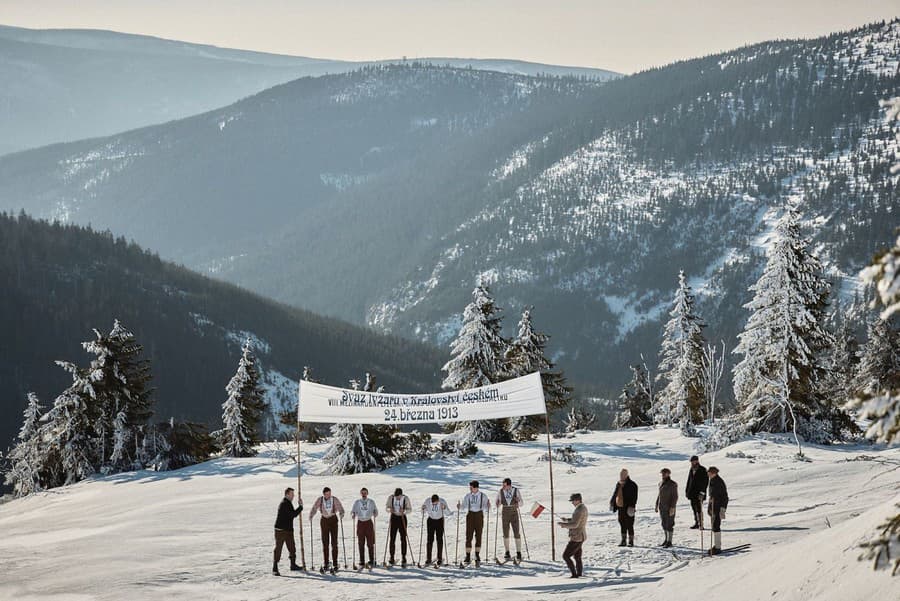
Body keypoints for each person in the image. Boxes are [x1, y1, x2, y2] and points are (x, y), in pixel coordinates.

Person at [310, 486, 345, 573]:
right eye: (327, 494)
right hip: (324, 520)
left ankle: (335, 563)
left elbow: (340, 508)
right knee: (325, 542)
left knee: (334, 542)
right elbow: (314, 508)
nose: (329, 495)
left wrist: (341, 513)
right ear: (324, 494)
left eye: (330, 493)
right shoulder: (320, 500)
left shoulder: (334, 499)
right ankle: (326, 563)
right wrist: (311, 515)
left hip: (333, 519)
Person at [457, 480, 491, 565]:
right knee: (469, 535)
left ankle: (477, 555)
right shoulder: (468, 496)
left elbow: (486, 507)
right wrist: (459, 506)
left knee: (478, 535)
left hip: (479, 515)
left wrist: (488, 506)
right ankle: (468, 556)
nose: (470, 489)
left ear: (476, 488)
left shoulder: (483, 496)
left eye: (471, 487)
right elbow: (463, 506)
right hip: (470, 515)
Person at [272, 487, 303, 576]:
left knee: (292, 547)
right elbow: (293, 515)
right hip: (280, 530)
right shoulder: (284, 503)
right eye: (292, 494)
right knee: (278, 548)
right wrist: (300, 507)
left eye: (293, 494)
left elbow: (292, 514)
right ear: (287, 494)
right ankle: (275, 567)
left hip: (288, 530)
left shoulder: (288, 503)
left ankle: (293, 565)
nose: (293, 496)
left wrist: (299, 507)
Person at [558, 492, 588, 578]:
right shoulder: (582, 508)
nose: (572, 503)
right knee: (577, 556)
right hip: (581, 536)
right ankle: (579, 573)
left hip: (577, 537)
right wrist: (567, 520)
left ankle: (574, 575)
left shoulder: (579, 510)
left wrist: (563, 525)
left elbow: (575, 524)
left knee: (566, 556)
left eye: (573, 501)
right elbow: (576, 520)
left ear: (578, 500)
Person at [495, 477, 524, 561]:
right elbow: (497, 503)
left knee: (516, 532)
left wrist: (518, 501)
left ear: (509, 485)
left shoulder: (516, 490)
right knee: (505, 532)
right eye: (502, 485)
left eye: (504, 485)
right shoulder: (500, 491)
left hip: (514, 512)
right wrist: (498, 503)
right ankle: (507, 552)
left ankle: (518, 552)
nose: (503, 487)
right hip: (505, 512)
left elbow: (522, 503)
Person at [609, 468, 638, 547]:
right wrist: (612, 502)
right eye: (621, 474)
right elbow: (615, 493)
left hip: (629, 507)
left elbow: (635, 497)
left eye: (623, 474)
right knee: (622, 523)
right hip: (620, 507)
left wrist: (632, 506)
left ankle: (631, 541)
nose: (621, 476)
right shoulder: (618, 483)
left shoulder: (632, 484)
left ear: (627, 475)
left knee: (629, 524)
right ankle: (623, 540)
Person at [351, 487, 378, 569]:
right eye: (362, 493)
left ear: (367, 493)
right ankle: (362, 560)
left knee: (370, 542)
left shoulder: (371, 502)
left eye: (365, 493)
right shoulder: (357, 502)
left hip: (368, 522)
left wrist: (375, 513)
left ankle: (372, 559)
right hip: (360, 523)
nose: (364, 494)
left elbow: (376, 511)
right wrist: (353, 514)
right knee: (360, 542)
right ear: (360, 493)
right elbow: (353, 511)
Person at [385, 487, 412, 566]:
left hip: (402, 518)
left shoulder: (405, 498)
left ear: (401, 494)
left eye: (398, 496)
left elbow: (410, 509)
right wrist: (390, 510)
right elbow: (387, 507)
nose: (396, 498)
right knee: (392, 538)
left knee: (403, 538)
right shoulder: (391, 497)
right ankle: (391, 557)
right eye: (396, 496)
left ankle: (404, 557)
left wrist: (404, 511)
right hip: (394, 518)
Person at [422, 493, 450, 566]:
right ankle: (428, 558)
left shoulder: (442, 501)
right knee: (430, 540)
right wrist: (423, 508)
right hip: (431, 520)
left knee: (439, 539)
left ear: (438, 500)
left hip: (439, 521)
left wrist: (444, 508)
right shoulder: (428, 501)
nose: (434, 504)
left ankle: (439, 558)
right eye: (433, 503)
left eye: (436, 503)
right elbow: (422, 511)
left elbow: (448, 513)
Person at [707, 466, 729, 555]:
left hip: (718, 507)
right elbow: (712, 496)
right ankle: (716, 545)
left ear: (714, 473)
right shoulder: (712, 481)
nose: (708, 474)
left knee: (716, 525)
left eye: (710, 473)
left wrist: (723, 509)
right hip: (713, 507)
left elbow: (725, 497)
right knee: (713, 526)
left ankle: (718, 547)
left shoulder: (719, 482)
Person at [654, 468, 679, 548]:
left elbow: (675, 496)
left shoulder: (672, 484)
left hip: (669, 507)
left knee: (669, 524)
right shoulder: (661, 483)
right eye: (662, 473)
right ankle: (666, 539)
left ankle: (669, 541)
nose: (663, 475)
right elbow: (659, 495)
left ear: (669, 474)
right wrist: (656, 504)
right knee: (664, 523)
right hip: (662, 507)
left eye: (665, 473)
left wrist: (672, 507)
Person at [685, 455, 709, 529]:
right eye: (691, 461)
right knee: (694, 508)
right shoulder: (691, 469)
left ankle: (701, 524)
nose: (692, 462)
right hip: (692, 493)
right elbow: (689, 481)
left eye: (693, 461)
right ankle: (696, 523)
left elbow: (705, 482)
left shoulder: (703, 469)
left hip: (699, 493)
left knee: (699, 509)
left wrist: (702, 492)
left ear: (697, 461)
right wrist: (687, 490)